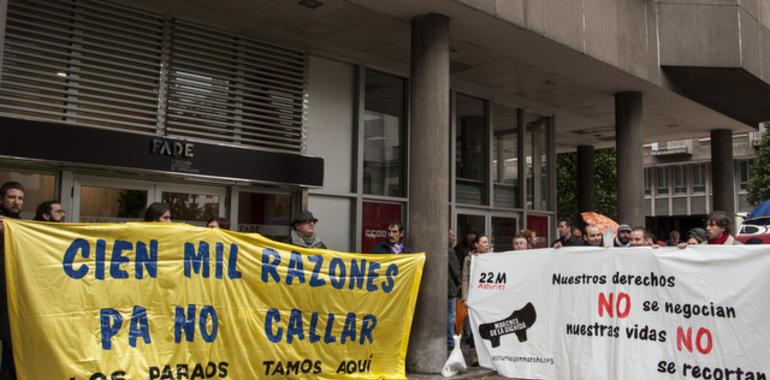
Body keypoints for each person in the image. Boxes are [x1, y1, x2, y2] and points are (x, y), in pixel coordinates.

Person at [0, 181, 24, 379]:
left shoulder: (24, 226)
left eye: (20, 198)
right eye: (12, 197)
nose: (16, 202)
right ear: (2, 199)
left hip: (13, 294)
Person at [461, 234, 491, 306]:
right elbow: (465, 279)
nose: (487, 244)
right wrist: (465, 298)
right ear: (476, 244)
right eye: (484, 242)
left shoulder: (492, 258)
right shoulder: (469, 259)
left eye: (487, 242)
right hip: (474, 296)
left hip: (489, 296)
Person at [447, 229, 461, 350]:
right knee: (450, 315)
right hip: (450, 288)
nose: (454, 238)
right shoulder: (450, 251)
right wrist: (460, 283)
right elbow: (456, 270)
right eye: (451, 235)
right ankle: (450, 341)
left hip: (448, 288)